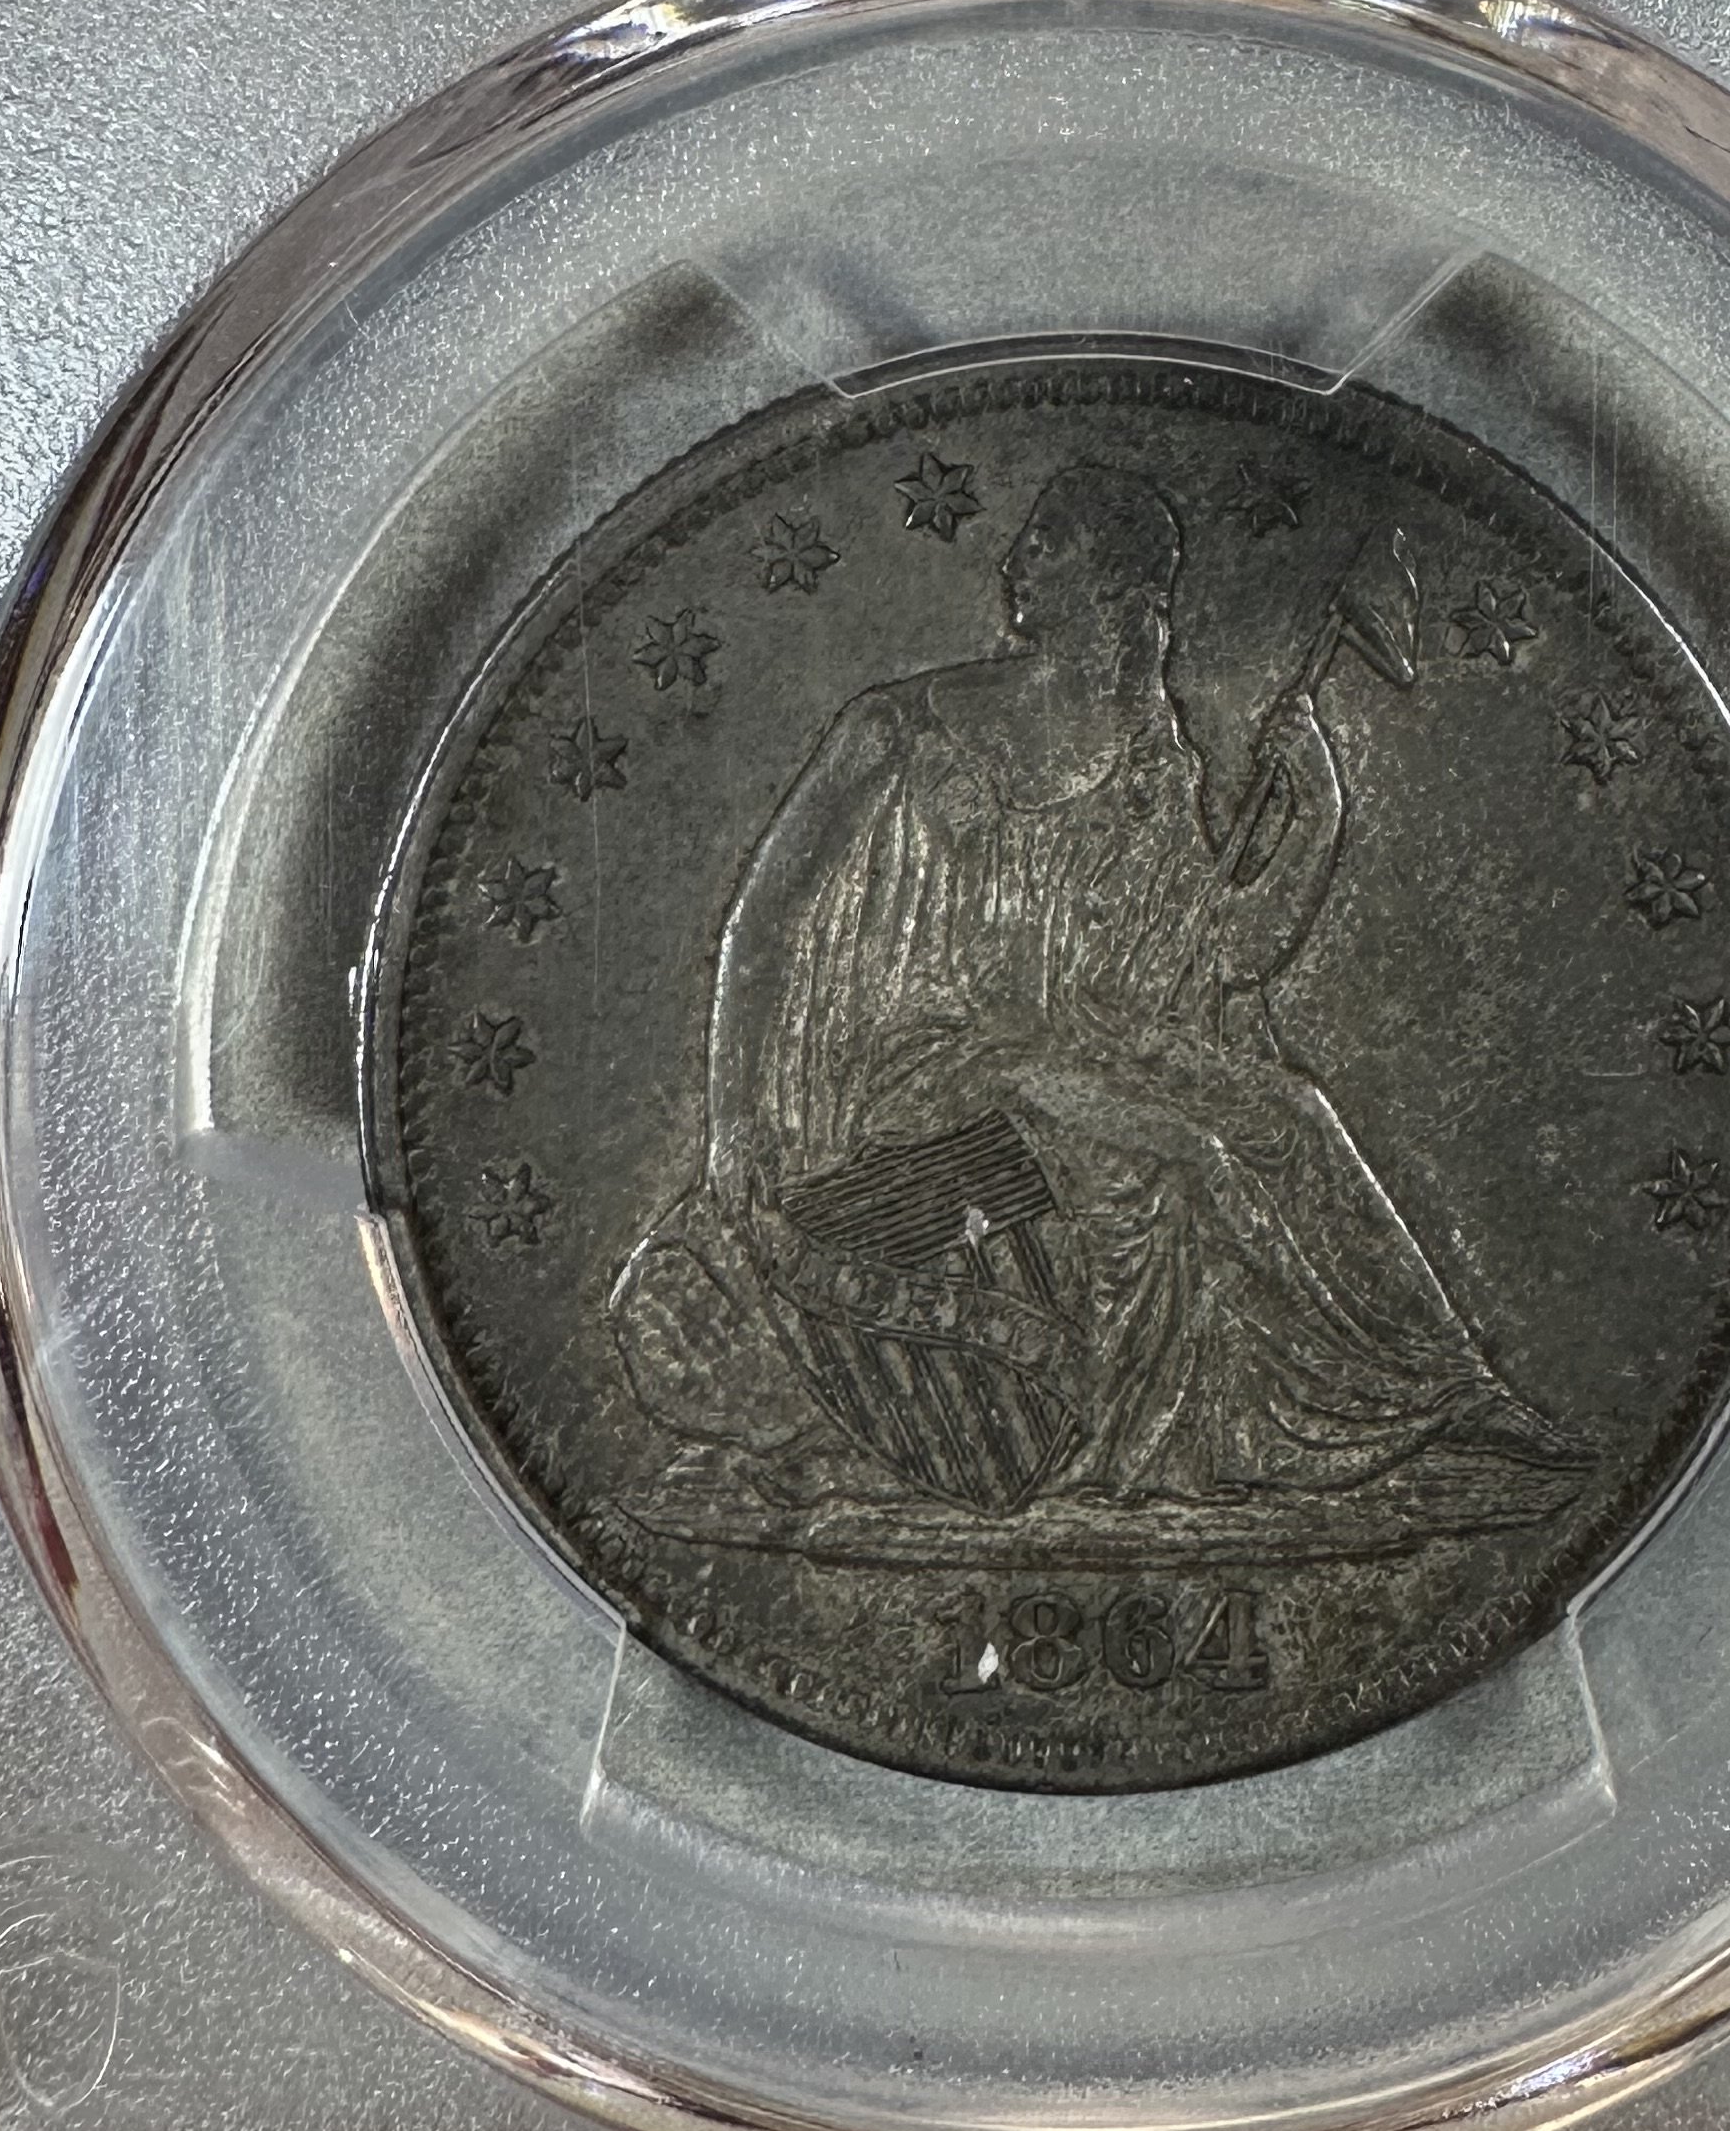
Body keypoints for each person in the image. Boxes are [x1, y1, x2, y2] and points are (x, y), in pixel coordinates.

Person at [611, 462, 1585, 1529]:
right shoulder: (898, 727)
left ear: (1119, 593)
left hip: (1076, 1048)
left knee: (1291, 1114)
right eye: (1027, 543)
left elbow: (1226, 956)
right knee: (1183, 1153)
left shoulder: (1148, 758)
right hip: (933, 1066)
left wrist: (1316, 818)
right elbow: (759, 917)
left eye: (1047, 546)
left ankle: (1448, 1395)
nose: (1014, 563)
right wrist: (734, 1119)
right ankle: (1171, 1439)